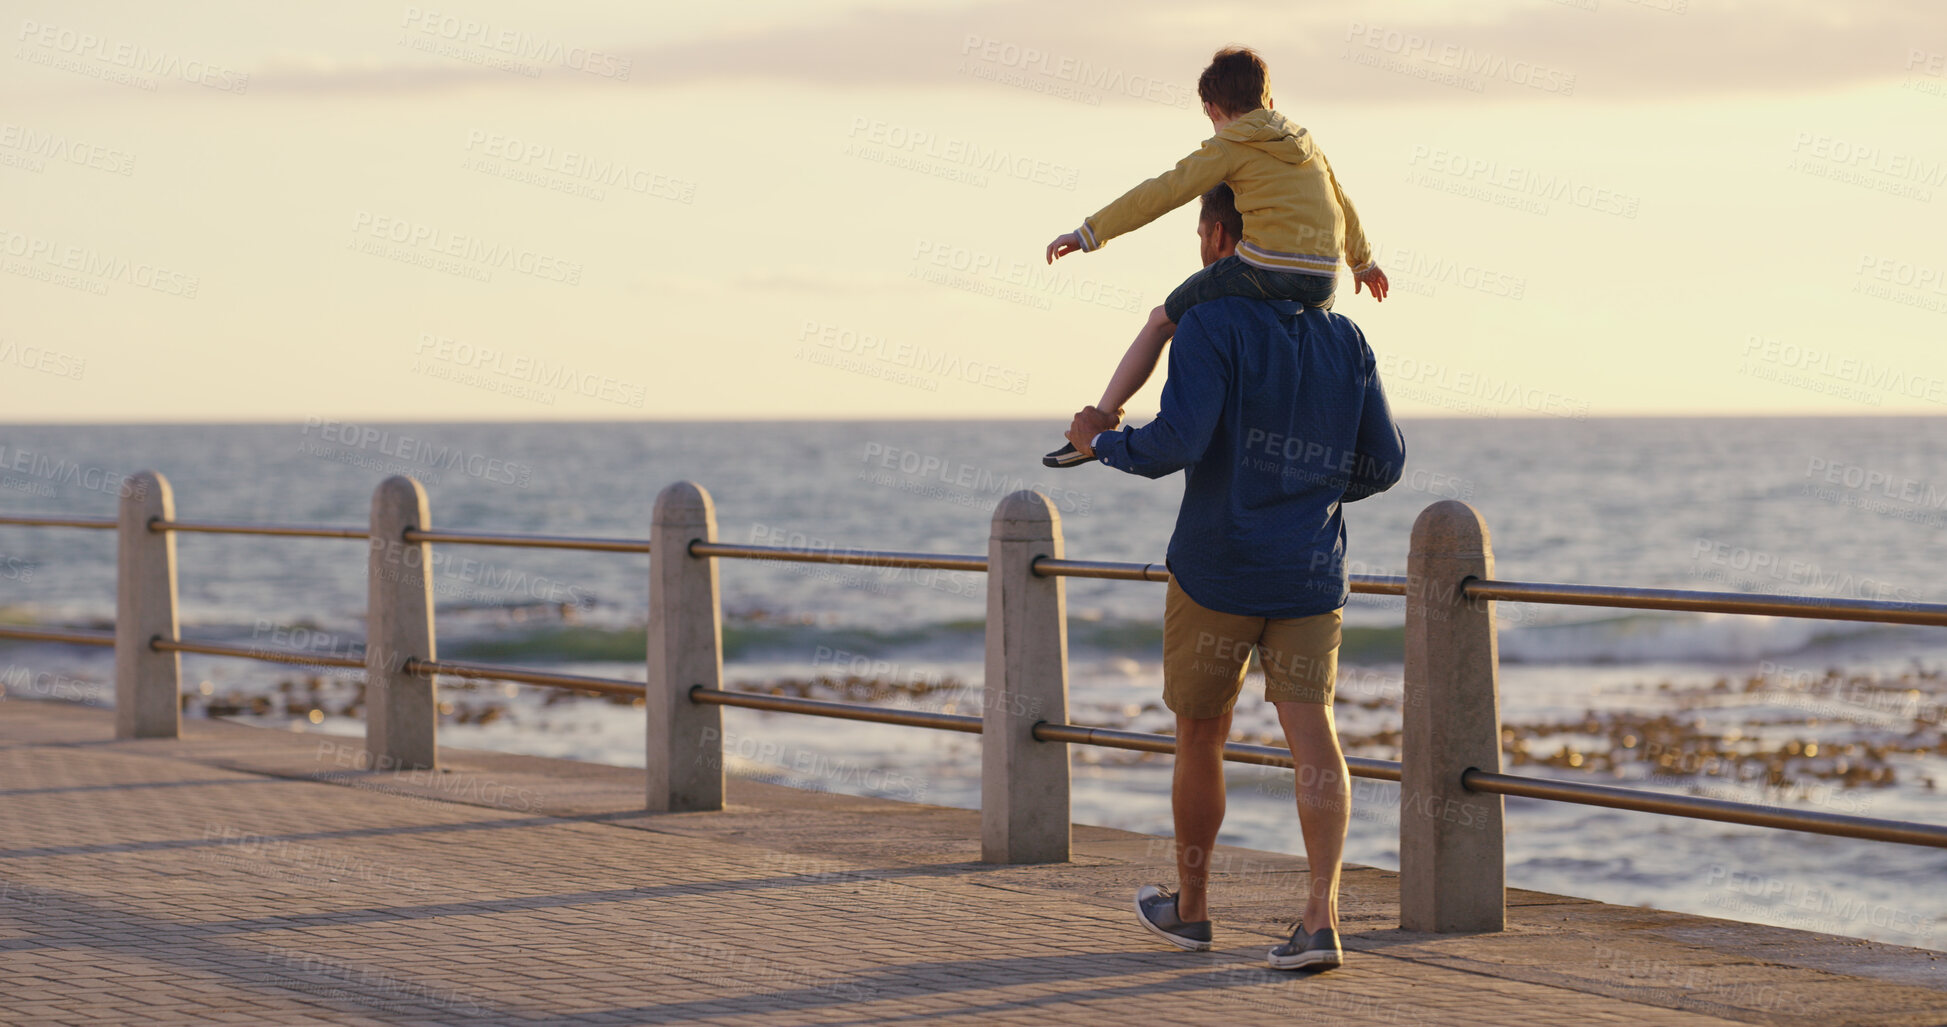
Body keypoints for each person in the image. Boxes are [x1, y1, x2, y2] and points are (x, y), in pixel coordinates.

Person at [1064, 183, 1404, 971]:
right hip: (1309, 572)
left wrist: (1099, 441)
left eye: (1198, 232)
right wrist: (1310, 491)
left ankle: (1191, 911)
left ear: (1221, 238)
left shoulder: (1208, 323)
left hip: (1216, 568)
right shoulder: (1346, 338)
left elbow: (1172, 444)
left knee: (1200, 737)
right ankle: (1319, 920)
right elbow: (1383, 462)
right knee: (1313, 736)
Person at [1042, 45, 1389, 469]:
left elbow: (1163, 191)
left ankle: (1099, 423)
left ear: (1211, 109)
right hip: (1323, 281)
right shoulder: (1305, 142)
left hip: (1267, 267)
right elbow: (1342, 201)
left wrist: (1089, 232)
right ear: (1269, 101)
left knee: (1160, 320)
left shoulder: (1229, 144)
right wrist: (1363, 262)